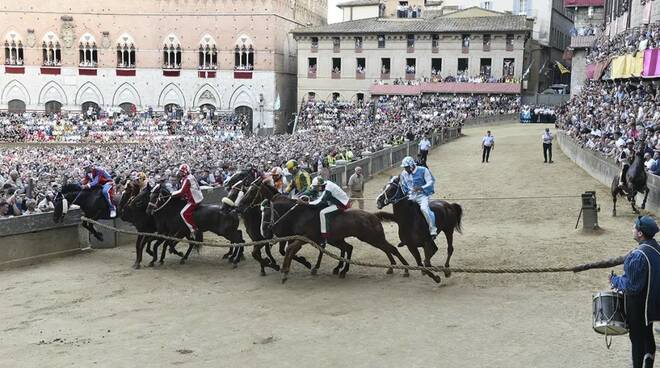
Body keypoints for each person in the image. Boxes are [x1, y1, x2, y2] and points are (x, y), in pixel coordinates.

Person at [610, 216, 660, 368]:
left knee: (637, 340)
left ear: (640, 233)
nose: (632, 229)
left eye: (634, 228)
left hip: (638, 306)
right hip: (651, 305)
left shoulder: (638, 255)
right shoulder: (657, 249)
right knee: (648, 335)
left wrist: (615, 280)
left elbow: (632, 286)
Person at [300, 176, 351, 246]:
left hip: (342, 204)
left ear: (320, 186)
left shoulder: (328, 189)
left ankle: (325, 237)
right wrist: (299, 196)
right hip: (333, 201)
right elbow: (311, 191)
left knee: (322, 213)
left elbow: (319, 202)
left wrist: (305, 203)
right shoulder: (322, 185)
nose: (315, 189)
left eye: (316, 187)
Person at [399, 156, 437, 237]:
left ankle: (433, 229)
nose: (405, 169)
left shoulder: (423, 170)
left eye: (406, 167)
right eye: (404, 167)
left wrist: (421, 187)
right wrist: (407, 192)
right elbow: (403, 185)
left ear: (412, 166)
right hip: (410, 196)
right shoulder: (403, 173)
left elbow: (430, 182)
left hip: (423, 195)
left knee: (424, 209)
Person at [171, 164, 204, 233]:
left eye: (182, 171)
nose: (180, 173)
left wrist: (172, 194)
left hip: (194, 200)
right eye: (180, 171)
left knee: (183, 213)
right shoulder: (190, 176)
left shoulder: (187, 179)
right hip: (197, 197)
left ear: (186, 172)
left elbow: (182, 192)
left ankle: (193, 229)